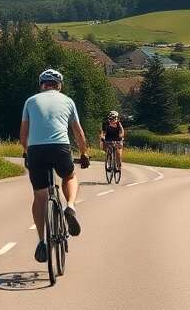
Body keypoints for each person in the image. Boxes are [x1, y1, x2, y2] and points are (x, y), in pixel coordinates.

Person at [21, 68, 89, 264]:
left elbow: (23, 135)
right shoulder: (68, 101)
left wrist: (27, 152)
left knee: (40, 196)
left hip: (36, 151)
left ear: (41, 85)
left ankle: (42, 241)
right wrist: (83, 153)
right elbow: (78, 132)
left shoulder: (30, 101)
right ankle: (70, 206)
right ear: (59, 85)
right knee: (69, 176)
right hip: (60, 148)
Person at [99, 110, 126, 174]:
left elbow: (122, 131)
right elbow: (102, 132)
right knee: (107, 149)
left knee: (118, 153)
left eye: (114, 118)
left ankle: (118, 166)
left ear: (116, 118)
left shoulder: (118, 123)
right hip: (108, 138)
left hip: (117, 138)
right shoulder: (105, 123)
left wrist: (121, 136)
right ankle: (109, 162)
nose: (112, 120)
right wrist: (102, 137)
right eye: (111, 118)